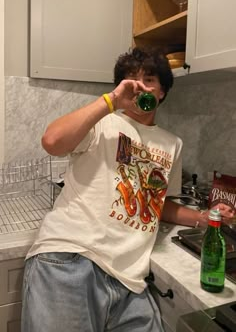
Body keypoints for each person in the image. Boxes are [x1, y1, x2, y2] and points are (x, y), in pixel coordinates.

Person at [21, 47, 235, 332]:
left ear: (161, 92)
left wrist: (206, 216)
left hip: (130, 283)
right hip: (70, 260)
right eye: (130, 79)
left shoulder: (172, 143)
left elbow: (159, 204)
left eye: (149, 79)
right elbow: (52, 141)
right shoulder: (103, 123)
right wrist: (110, 101)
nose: (139, 86)